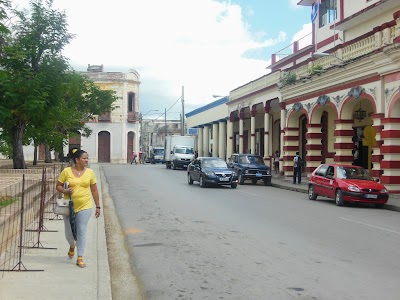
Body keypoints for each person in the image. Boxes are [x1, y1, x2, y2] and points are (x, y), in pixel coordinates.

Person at [56, 149, 100, 268]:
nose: (86, 160)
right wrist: (65, 190)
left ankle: (80, 257)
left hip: (85, 205)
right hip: (68, 206)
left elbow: (94, 189)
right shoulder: (66, 171)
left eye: (87, 158)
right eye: (84, 158)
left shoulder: (90, 172)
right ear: (77, 160)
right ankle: (71, 245)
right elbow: (58, 186)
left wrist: (98, 206)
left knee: (82, 230)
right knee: (69, 233)